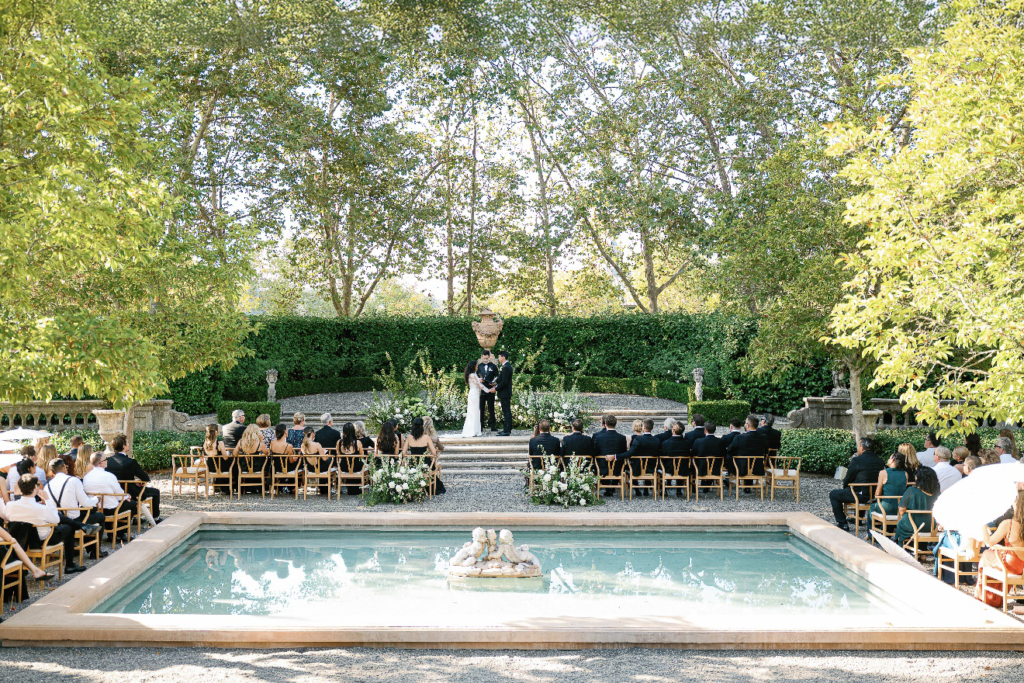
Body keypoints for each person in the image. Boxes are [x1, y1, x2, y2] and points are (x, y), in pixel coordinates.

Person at [5, 474, 86, 574]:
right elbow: (56, 519)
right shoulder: (41, 508)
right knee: (69, 528)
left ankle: (80, 526)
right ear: (35, 487)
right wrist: (47, 500)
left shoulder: (10, 505)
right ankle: (70, 564)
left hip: (21, 541)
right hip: (43, 541)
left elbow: (6, 517)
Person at [976, 491, 1024, 608]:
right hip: (1021, 566)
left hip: (1010, 564)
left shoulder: (1008, 524)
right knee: (993, 554)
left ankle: (986, 596)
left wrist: (982, 525)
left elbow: (989, 542)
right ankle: (995, 597)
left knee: (986, 555)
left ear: (1017, 504)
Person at [830, 437, 885, 532]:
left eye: (858, 446)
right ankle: (857, 519)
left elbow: (848, 478)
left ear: (862, 447)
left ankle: (843, 524)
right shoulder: (880, 460)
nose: (857, 448)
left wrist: (846, 487)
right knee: (861, 487)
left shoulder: (857, 460)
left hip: (861, 495)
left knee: (834, 494)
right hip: (876, 495)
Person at [83, 451, 137, 542]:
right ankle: (120, 533)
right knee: (132, 504)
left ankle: (111, 534)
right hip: (110, 509)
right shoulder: (109, 476)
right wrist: (126, 496)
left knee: (116, 502)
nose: (107, 461)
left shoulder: (86, 477)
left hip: (95, 508)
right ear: (101, 463)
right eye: (106, 459)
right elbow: (120, 495)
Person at [105, 435, 161, 523]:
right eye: (127, 443)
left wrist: (133, 481)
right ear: (124, 446)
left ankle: (134, 516)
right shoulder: (130, 462)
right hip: (129, 492)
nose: (128, 444)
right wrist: (136, 482)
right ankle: (155, 518)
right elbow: (145, 478)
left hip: (113, 492)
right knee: (155, 492)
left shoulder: (108, 461)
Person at [892, 466, 939, 546]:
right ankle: (923, 552)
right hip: (932, 526)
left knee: (901, 524)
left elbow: (902, 509)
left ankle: (900, 546)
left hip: (914, 524)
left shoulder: (912, 490)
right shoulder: (937, 493)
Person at [613, 418, 660, 496]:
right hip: (651, 468)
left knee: (634, 463)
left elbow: (629, 453)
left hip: (637, 468)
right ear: (652, 428)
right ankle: (646, 490)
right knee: (647, 462)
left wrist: (616, 456)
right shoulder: (656, 440)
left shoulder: (638, 439)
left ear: (643, 428)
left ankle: (637, 489)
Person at [404, 417, 445, 494]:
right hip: (425, 464)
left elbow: (403, 453)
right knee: (431, 467)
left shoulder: (409, 437)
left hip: (412, 464)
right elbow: (434, 453)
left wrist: (411, 453)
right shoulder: (426, 437)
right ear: (422, 426)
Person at [867, 451, 909, 522]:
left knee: (872, 508)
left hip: (887, 506)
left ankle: (871, 532)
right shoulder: (905, 474)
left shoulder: (883, 472)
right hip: (900, 507)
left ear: (892, 460)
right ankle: (886, 529)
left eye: (889, 458)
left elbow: (877, 493)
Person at [660, 421, 691, 495]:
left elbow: (663, 456)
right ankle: (679, 490)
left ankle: (663, 489)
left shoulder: (665, 443)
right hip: (683, 469)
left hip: (668, 469)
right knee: (680, 463)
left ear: (673, 430)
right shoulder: (687, 443)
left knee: (662, 463)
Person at [337, 422, 364, 495]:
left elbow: (339, 455)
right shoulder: (357, 442)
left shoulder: (339, 442)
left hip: (344, 467)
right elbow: (362, 456)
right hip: (356, 467)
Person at [461, 360, 485, 438]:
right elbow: (478, 385)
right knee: (474, 412)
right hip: (474, 394)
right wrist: (489, 390)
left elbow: (477, 382)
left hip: (473, 393)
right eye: (476, 366)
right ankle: (473, 430)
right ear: (474, 366)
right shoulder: (472, 375)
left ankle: (475, 430)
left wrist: (479, 380)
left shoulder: (472, 374)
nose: (477, 367)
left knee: (474, 411)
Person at [477, 350, 499, 432]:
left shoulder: (493, 366)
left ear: (489, 357)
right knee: (481, 409)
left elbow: (497, 376)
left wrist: (494, 383)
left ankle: (493, 426)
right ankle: (480, 426)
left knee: (491, 408)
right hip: (482, 391)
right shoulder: (479, 366)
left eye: (487, 358)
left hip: (490, 390)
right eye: (484, 358)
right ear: (482, 357)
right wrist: (479, 380)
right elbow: (475, 377)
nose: (485, 359)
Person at [494, 350, 514, 436]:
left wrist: (496, 388)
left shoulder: (506, 367)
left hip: (505, 392)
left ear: (503, 357)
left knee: (506, 411)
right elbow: (501, 378)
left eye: (499, 356)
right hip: (504, 392)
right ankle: (507, 429)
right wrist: (494, 382)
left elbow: (504, 381)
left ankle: (506, 431)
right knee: (506, 411)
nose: (498, 358)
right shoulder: (505, 366)